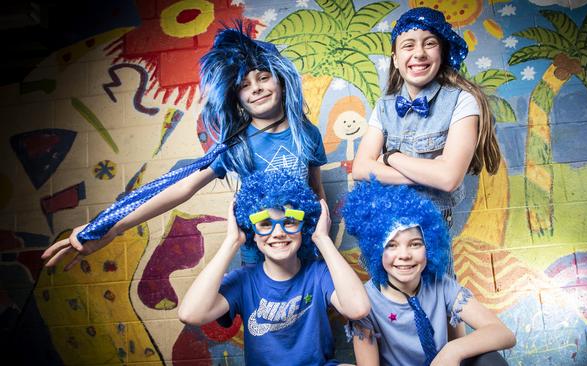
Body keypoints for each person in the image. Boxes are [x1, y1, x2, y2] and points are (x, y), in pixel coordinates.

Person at [41, 25, 326, 269]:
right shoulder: (235, 145)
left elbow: (317, 193)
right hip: (258, 253)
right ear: (235, 97)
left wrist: (323, 243)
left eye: (264, 77)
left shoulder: (307, 133)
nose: (257, 88)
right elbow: (180, 188)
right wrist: (109, 229)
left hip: (303, 246)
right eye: (245, 84)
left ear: (282, 81)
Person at [178, 171, 370, 365]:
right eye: (265, 224)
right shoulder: (244, 281)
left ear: (304, 227)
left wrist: (322, 239)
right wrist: (231, 241)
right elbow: (190, 314)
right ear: (251, 231)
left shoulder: (318, 273)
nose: (278, 232)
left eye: (289, 222)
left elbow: (358, 309)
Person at [351, 7, 501, 228]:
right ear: (395, 59)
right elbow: (360, 168)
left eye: (429, 43)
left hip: (433, 223)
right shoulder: (384, 106)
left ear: (442, 52)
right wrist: (430, 174)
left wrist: (390, 158)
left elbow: (449, 179)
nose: (419, 53)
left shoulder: (463, 101)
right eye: (408, 45)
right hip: (387, 221)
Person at [342, 180, 515, 366]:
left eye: (415, 244)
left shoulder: (440, 284)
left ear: (429, 247)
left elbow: (504, 334)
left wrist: (453, 350)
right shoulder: (365, 301)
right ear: (376, 250)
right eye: (391, 245)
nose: (404, 255)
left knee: (490, 360)